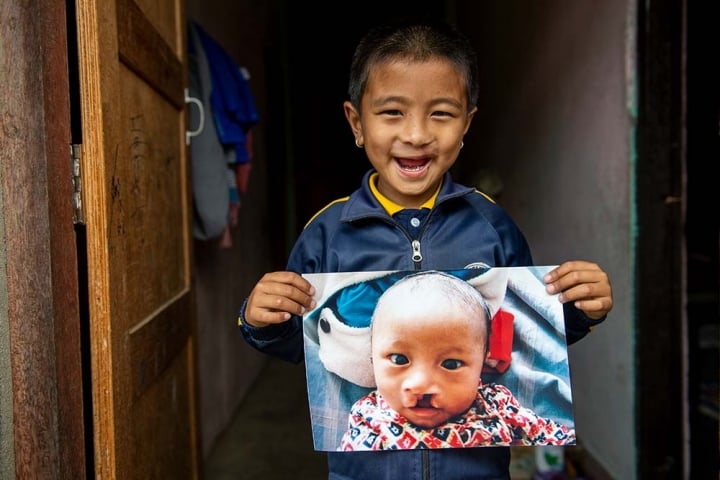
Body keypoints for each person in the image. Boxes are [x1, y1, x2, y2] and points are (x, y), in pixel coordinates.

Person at [238, 16, 613, 480]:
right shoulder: (327, 233)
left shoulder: (492, 226)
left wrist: (577, 310)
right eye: (392, 112)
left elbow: (524, 338)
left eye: (440, 113)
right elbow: (307, 345)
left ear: (467, 123)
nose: (416, 134)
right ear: (356, 122)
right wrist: (261, 320)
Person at [338, 270, 575, 451]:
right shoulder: (368, 416)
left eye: (450, 364)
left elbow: (553, 436)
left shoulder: (496, 404)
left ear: (483, 361)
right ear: (371, 357)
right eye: (399, 359)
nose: (420, 385)